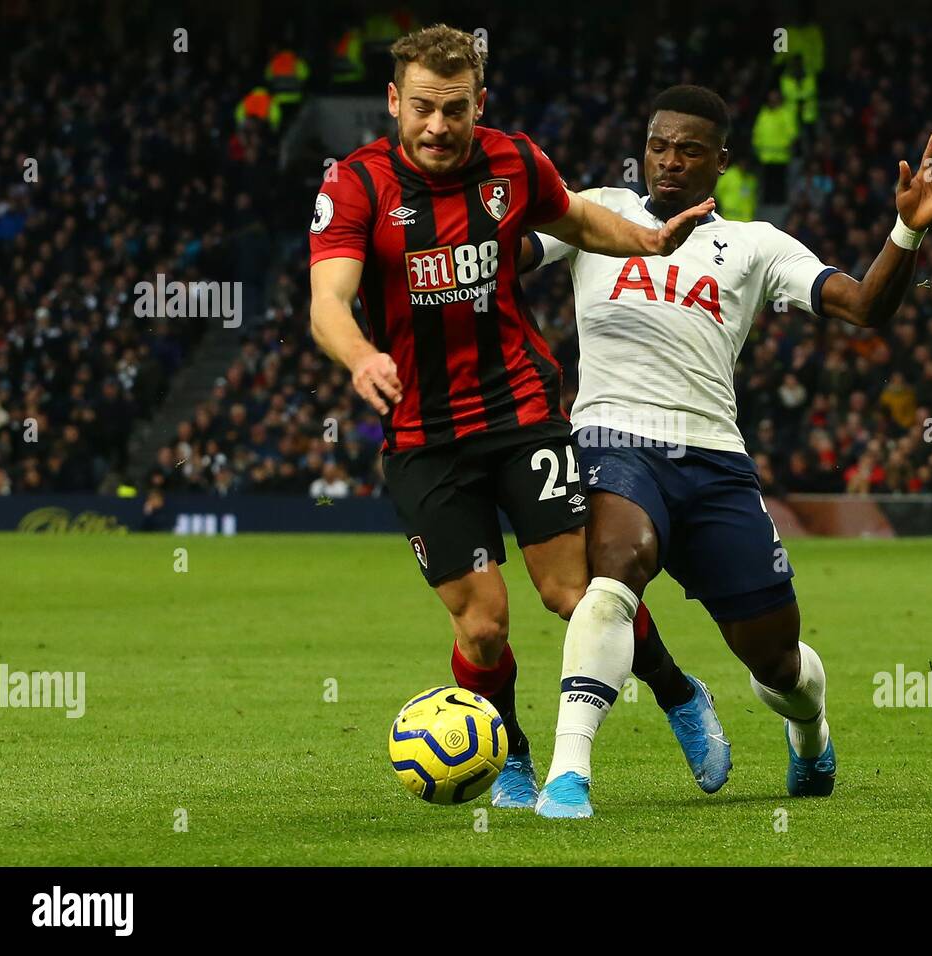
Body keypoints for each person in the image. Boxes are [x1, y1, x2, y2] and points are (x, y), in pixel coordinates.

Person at [520, 84, 932, 816]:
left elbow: (862, 306)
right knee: (613, 575)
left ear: (721, 161)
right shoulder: (595, 210)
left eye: (690, 150)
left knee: (776, 661)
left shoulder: (756, 244)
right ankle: (569, 774)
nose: (670, 162)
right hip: (610, 438)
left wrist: (907, 232)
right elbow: (505, 253)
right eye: (659, 146)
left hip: (715, 462)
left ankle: (811, 733)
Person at [308, 26, 720, 810]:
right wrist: (361, 355)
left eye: (454, 109)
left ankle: (676, 694)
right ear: (395, 101)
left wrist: (646, 239)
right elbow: (329, 300)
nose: (437, 126)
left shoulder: (513, 160)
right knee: (485, 626)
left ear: (478, 104)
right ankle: (514, 751)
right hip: (423, 436)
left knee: (576, 592)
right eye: (423, 108)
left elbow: (570, 219)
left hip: (520, 411)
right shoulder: (357, 186)